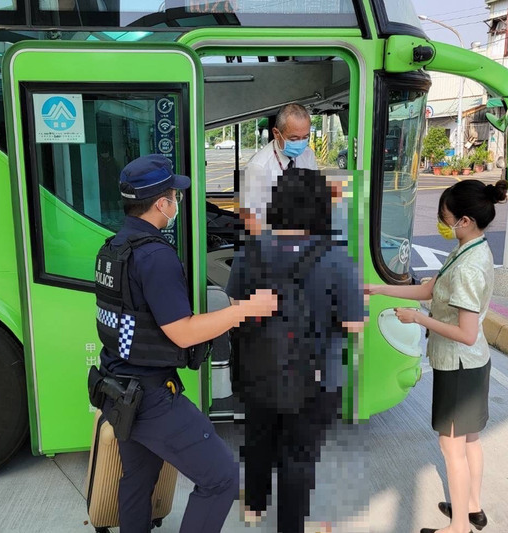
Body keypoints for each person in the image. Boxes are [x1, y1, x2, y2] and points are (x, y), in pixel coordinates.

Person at [93, 154, 279, 533]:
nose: (177, 201)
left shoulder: (115, 247)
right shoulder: (155, 256)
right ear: (161, 203)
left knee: (137, 479)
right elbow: (183, 331)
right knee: (222, 478)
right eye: (174, 195)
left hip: (116, 386)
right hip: (149, 396)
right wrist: (248, 309)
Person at [227, 168, 365, 533]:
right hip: (317, 378)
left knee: (257, 439)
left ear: (276, 205)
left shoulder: (249, 251)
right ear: (322, 208)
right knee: (299, 456)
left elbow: (233, 304)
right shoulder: (338, 259)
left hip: (258, 368)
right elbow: (354, 324)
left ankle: (254, 507)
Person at [367, 179, 508, 533]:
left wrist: (417, 317)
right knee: (471, 439)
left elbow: (465, 332)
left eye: (445, 216)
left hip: (458, 366)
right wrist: (380, 288)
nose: (442, 222)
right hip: (474, 363)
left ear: (465, 220)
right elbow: (432, 287)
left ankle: (458, 526)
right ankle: (472, 507)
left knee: (451, 446)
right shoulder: (471, 248)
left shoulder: (467, 268)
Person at [240, 103, 317, 235]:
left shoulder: (308, 155)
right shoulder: (257, 167)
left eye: (305, 137)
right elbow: (250, 222)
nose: (301, 143)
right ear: (276, 133)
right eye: (294, 138)